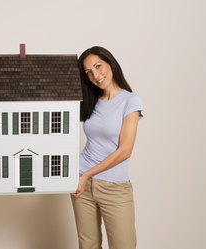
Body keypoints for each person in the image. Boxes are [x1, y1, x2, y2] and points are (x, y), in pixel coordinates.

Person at [71, 46, 143, 249]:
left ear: (110, 63)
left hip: (113, 187)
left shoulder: (130, 100)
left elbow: (124, 151)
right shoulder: (91, 101)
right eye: (88, 72)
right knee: (88, 246)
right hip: (82, 184)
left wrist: (86, 175)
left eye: (98, 66)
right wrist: (80, 174)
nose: (96, 75)